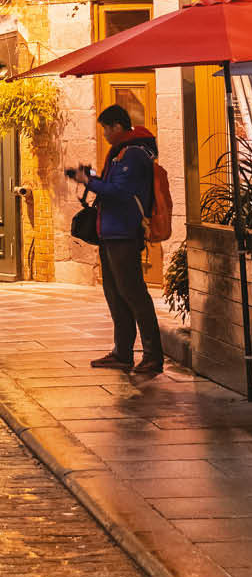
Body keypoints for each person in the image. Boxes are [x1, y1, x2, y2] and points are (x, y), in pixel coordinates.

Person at [74, 102, 164, 378]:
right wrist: (91, 178)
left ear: (117, 126)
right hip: (111, 232)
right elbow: (114, 186)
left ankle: (152, 356)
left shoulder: (133, 154)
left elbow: (120, 192)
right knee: (115, 294)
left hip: (124, 233)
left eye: (106, 129)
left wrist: (89, 181)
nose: (104, 134)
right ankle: (122, 352)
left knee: (134, 293)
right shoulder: (122, 153)